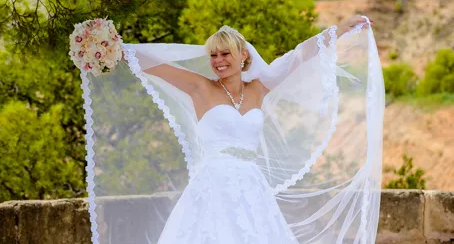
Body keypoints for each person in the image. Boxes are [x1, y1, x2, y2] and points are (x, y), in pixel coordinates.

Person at [80, 15, 384, 244]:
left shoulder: (259, 88)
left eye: (225, 54)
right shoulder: (200, 87)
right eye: (213, 55)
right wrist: (108, 46)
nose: (218, 61)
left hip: (252, 189)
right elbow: (151, 64)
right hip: (212, 186)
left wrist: (340, 29)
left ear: (243, 56)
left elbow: (299, 56)